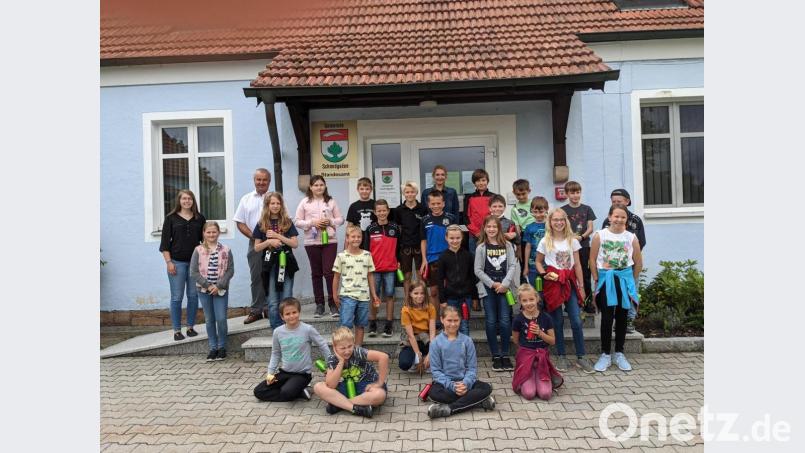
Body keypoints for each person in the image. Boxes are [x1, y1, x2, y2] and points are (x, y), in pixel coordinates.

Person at [536, 208, 594, 373]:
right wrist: (544, 274)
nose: (559, 222)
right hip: (553, 285)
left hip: (569, 282)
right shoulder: (545, 241)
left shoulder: (572, 241)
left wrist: (582, 287)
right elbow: (539, 262)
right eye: (555, 220)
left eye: (562, 219)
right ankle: (561, 356)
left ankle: (581, 356)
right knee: (558, 321)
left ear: (566, 221)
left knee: (576, 319)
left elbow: (577, 265)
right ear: (550, 222)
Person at [590, 206, 643, 372]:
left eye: (623, 217)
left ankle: (619, 353)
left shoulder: (631, 237)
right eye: (616, 216)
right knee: (607, 318)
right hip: (606, 280)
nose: (619, 220)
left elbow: (638, 262)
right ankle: (605, 354)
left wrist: (630, 280)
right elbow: (592, 260)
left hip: (624, 281)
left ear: (626, 219)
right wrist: (597, 279)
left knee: (622, 317)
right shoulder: (600, 235)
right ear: (609, 217)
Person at [253, 298, 331, 402]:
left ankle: (293, 390)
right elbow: (276, 354)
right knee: (259, 391)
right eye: (287, 314)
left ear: (299, 312)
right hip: (284, 373)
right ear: (282, 316)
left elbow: (322, 345)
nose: (291, 316)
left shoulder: (307, 329)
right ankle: (299, 392)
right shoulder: (278, 332)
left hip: (302, 375)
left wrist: (330, 365)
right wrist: (270, 374)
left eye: (294, 312)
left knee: (287, 392)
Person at [426, 306, 495, 418]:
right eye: (449, 320)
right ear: (442, 320)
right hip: (445, 385)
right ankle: (478, 401)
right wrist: (452, 386)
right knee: (434, 394)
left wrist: (466, 383)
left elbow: (472, 368)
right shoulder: (436, 343)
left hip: (465, 383)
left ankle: (449, 409)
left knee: (486, 388)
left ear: (460, 320)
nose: (452, 324)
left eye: (456, 320)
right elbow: (436, 371)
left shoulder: (467, 341)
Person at [294, 175, 344, 318]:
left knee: (329, 272)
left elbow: (340, 219)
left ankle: (333, 304)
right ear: (310, 187)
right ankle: (319, 305)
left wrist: (330, 221)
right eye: (316, 185)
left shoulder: (331, 201)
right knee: (316, 273)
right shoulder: (305, 202)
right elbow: (297, 221)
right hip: (311, 242)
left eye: (321, 185)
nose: (319, 187)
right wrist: (312, 223)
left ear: (325, 186)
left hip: (330, 241)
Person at [159, 189, 206, 341]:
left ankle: (190, 327)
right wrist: (169, 262)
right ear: (179, 201)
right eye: (184, 199)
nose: (187, 201)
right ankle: (177, 330)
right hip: (176, 263)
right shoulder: (171, 218)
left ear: (193, 201)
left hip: (195, 264)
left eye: (190, 199)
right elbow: (165, 244)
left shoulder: (200, 218)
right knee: (177, 297)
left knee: (193, 296)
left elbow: (204, 242)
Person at [313, 326, 389, 418]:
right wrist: (341, 362)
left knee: (379, 395)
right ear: (335, 347)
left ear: (353, 343)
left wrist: (380, 382)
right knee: (318, 387)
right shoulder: (332, 359)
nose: (347, 351)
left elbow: (383, 357)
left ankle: (339, 404)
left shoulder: (357, 352)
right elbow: (331, 385)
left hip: (367, 384)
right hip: (348, 386)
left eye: (350, 346)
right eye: (342, 348)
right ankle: (355, 408)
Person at [474, 215, 517, 372]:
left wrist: (505, 284)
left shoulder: (507, 245)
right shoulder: (481, 248)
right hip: (488, 288)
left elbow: (512, 265)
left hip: (505, 289)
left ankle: (505, 354)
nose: (491, 229)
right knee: (491, 321)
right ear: (484, 229)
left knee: (505, 320)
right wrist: (493, 284)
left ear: (499, 228)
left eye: (494, 226)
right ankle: (495, 355)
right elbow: (477, 270)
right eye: (488, 227)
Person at [601, 188, 646, 334]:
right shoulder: (607, 221)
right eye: (613, 202)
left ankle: (630, 321)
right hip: (611, 268)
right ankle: (616, 320)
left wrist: (631, 257)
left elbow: (641, 242)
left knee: (632, 291)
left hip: (630, 265)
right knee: (613, 292)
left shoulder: (636, 220)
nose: (616, 203)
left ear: (627, 202)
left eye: (619, 201)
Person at [253, 192, 300, 329]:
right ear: (267, 205)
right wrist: (269, 241)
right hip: (270, 266)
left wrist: (278, 236)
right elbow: (256, 247)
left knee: (287, 299)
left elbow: (294, 244)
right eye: (272, 203)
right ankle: (276, 331)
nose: (275, 206)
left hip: (286, 264)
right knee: (273, 301)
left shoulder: (287, 222)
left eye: (278, 203)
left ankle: (289, 329)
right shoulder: (261, 223)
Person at [190, 221, 234, 361]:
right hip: (204, 290)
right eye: (208, 232)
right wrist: (208, 285)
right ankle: (213, 347)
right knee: (209, 319)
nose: (211, 234)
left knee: (221, 318)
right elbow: (194, 271)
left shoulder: (226, 250)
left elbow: (230, 270)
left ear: (218, 233)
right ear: (204, 233)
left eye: (214, 232)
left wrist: (219, 285)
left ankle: (222, 347)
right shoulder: (198, 250)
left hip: (220, 290)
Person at [511, 284, 563, 401]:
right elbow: (515, 339)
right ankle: (528, 375)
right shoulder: (518, 319)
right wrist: (526, 353)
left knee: (545, 394)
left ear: (537, 299)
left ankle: (539, 375)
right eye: (524, 300)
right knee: (529, 394)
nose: (528, 303)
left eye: (531, 299)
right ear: (520, 302)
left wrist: (540, 333)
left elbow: (553, 341)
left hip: (541, 359)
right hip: (526, 358)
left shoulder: (546, 318)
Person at [333, 225, 380, 347]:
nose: (356, 239)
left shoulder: (367, 255)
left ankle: (357, 351)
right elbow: (336, 277)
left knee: (360, 324)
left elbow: (370, 276)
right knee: (345, 325)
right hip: (347, 295)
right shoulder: (341, 256)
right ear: (347, 238)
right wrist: (334, 295)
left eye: (359, 236)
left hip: (364, 297)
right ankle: (344, 350)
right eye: (353, 236)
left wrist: (374, 295)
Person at [236, 168, 272, 325]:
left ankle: (271, 308)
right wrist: (254, 237)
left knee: (273, 275)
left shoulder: (275, 198)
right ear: (254, 180)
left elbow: (286, 219)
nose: (261, 182)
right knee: (256, 276)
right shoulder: (246, 199)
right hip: (255, 243)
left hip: (274, 243)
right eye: (259, 179)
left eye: (264, 180)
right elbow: (239, 222)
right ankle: (256, 310)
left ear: (269, 182)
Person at [419, 190, 457, 318]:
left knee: (449, 290)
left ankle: (449, 318)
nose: (436, 206)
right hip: (432, 259)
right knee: (434, 291)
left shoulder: (450, 218)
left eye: (439, 203)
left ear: (443, 203)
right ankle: (435, 320)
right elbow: (423, 241)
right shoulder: (424, 220)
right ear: (429, 205)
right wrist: (424, 260)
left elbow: (456, 238)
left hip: (449, 258)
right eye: (433, 203)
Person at [560, 181, 597, 313]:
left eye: (577, 192)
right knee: (568, 274)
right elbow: (561, 227)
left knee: (585, 275)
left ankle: (587, 303)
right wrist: (570, 238)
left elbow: (590, 228)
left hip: (584, 246)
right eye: (572, 192)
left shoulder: (587, 209)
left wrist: (581, 237)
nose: (575, 195)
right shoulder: (563, 210)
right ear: (567, 194)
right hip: (568, 247)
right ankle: (569, 303)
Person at [366, 200, 400, 338]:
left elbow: (399, 248)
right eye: (378, 211)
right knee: (375, 296)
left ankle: (389, 324)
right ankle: (372, 323)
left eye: (384, 210)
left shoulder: (395, 228)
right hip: (374, 269)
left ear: (388, 211)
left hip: (390, 268)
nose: (381, 213)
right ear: (375, 212)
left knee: (390, 295)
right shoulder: (370, 229)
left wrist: (398, 262)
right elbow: (366, 250)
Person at [436, 225, 475, 336]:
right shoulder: (443, 257)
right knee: (450, 325)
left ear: (462, 237)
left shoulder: (468, 255)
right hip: (450, 298)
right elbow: (440, 279)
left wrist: (474, 297)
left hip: (465, 297)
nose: (455, 241)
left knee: (464, 324)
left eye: (457, 238)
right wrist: (442, 299)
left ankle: (465, 351)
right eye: (452, 238)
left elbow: (472, 276)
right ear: (446, 238)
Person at [393, 181, 427, 301]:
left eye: (412, 192)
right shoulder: (398, 210)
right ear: (403, 193)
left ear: (416, 192)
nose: (410, 194)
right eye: (407, 192)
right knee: (406, 275)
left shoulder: (423, 208)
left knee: (420, 275)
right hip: (405, 246)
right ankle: (408, 300)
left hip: (419, 246)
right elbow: (398, 229)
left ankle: (421, 299)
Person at [398, 280, 437, 372]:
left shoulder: (430, 308)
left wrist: (430, 354)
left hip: (426, 338)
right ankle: (417, 360)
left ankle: (427, 359)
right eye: (416, 293)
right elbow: (411, 336)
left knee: (441, 351)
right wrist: (417, 355)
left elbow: (432, 333)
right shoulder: (405, 310)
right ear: (410, 294)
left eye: (422, 293)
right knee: (404, 364)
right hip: (412, 340)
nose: (419, 296)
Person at [463, 168, 495, 254]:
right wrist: (476, 232)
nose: (481, 183)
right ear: (474, 183)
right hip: (474, 235)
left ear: (487, 181)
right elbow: (466, 217)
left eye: (483, 180)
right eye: (478, 181)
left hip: (490, 232)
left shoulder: (493, 197)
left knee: (490, 257)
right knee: (475, 257)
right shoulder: (469, 197)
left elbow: (496, 215)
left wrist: (489, 230)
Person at [511, 179, 535, 284]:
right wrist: (519, 247)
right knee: (524, 264)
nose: (521, 197)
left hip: (537, 235)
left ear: (529, 191)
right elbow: (517, 228)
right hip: (524, 237)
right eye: (518, 194)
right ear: (514, 193)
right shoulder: (515, 208)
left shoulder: (534, 203)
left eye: (523, 194)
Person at [522, 196, 548, 287]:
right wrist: (526, 266)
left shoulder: (551, 226)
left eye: (541, 212)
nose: (538, 215)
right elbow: (528, 247)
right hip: (532, 265)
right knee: (536, 291)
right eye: (535, 212)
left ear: (546, 210)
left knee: (548, 291)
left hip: (548, 265)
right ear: (531, 211)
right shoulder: (529, 227)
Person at [346, 177, 377, 251]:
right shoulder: (353, 206)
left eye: (367, 189)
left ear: (371, 190)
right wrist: (347, 245)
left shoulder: (375, 204)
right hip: (358, 240)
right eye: (362, 189)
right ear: (358, 190)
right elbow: (349, 226)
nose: (364, 191)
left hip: (374, 239)